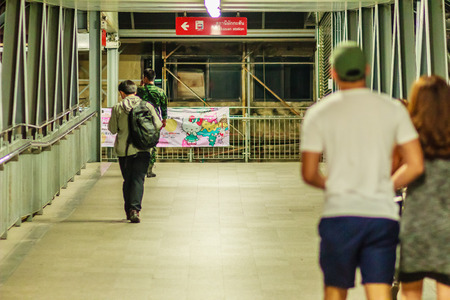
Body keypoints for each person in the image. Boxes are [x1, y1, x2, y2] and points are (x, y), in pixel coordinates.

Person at [300, 41, 424, 300]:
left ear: (333, 73)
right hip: (382, 216)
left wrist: (335, 186)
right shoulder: (393, 109)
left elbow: (309, 173)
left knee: (335, 290)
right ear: (367, 70)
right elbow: (415, 164)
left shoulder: (318, 113)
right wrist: (384, 186)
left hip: (340, 215)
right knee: (379, 289)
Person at [398, 75, 450, 300]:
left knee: (410, 291)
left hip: (416, 223)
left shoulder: (408, 136)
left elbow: (402, 171)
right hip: (447, 223)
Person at [108, 80, 162, 223]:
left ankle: (128, 210)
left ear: (121, 93)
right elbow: (157, 124)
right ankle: (135, 209)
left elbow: (112, 129)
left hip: (124, 151)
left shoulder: (118, 108)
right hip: (143, 149)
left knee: (128, 180)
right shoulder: (147, 106)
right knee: (138, 179)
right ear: (135, 92)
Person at [136, 68, 168, 178]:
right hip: (155, 119)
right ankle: (149, 169)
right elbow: (164, 107)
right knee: (153, 143)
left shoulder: (140, 90)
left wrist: (141, 85)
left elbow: (135, 99)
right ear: (154, 78)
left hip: (141, 118)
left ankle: (139, 167)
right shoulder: (160, 91)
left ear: (144, 77)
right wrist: (164, 120)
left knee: (140, 142)